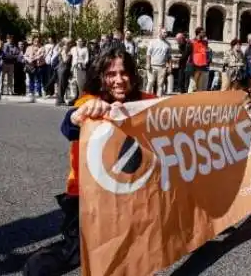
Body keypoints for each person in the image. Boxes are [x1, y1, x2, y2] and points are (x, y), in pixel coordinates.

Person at [23, 46, 155, 276]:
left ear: (133, 76)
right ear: (101, 78)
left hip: (136, 195)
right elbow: (69, 126)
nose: (119, 80)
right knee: (75, 253)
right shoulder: (89, 102)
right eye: (111, 74)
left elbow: (177, 117)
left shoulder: (146, 101)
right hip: (88, 197)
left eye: (124, 73)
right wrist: (81, 115)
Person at [145, 27, 171, 95]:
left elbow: (169, 57)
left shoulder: (168, 44)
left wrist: (169, 66)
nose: (166, 34)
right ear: (160, 33)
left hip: (162, 67)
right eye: (164, 32)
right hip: (152, 66)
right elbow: (148, 54)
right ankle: (146, 97)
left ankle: (158, 98)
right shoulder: (153, 42)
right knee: (150, 82)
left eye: (166, 32)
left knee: (160, 84)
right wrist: (148, 64)